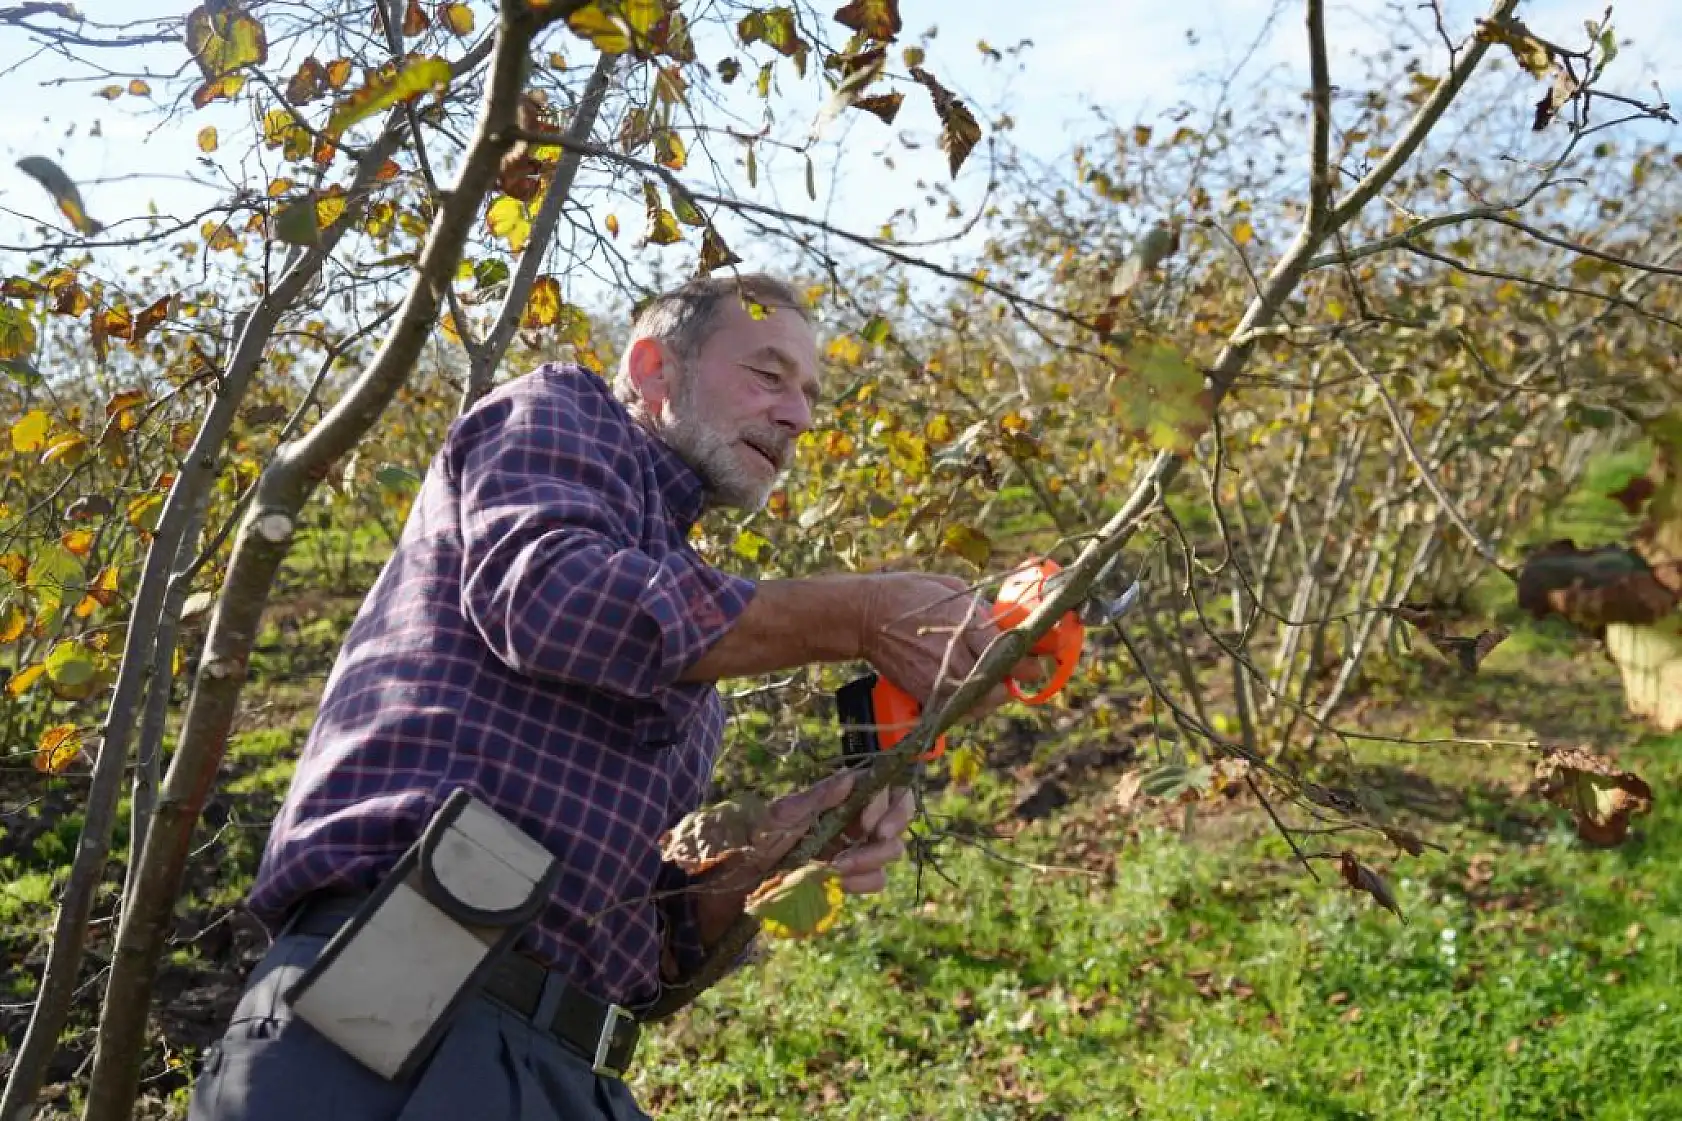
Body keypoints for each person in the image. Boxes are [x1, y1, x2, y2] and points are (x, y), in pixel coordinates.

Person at [185, 273, 1025, 1121]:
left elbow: (653, 942)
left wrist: (778, 853)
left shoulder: (694, 625)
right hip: (395, 994)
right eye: (769, 376)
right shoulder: (556, 412)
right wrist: (863, 611)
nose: (799, 416)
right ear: (654, 367)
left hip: (569, 1068)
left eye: (808, 394)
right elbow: (552, 600)